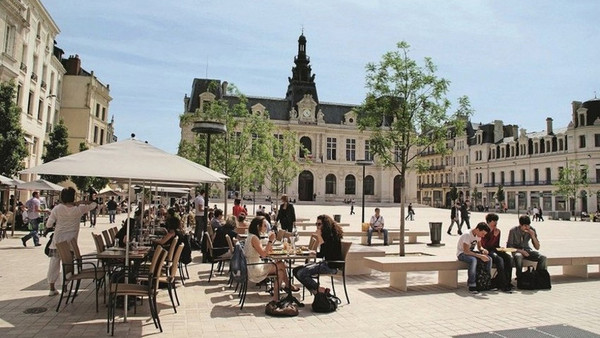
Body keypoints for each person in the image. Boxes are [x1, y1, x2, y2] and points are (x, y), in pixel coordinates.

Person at [45, 187, 97, 296]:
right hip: (71, 241)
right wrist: (81, 202)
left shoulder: (57, 208)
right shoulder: (79, 208)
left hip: (58, 240)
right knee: (68, 264)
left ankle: (51, 288)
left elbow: (48, 224)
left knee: (54, 263)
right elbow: (94, 205)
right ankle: (65, 289)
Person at [243, 216, 297, 302]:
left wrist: (268, 246)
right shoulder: (254, 238)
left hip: (252, 266)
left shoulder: (251, 236)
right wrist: (270, 241)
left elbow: (262, 251)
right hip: (255, 268)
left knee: (280, 272)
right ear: (258, 226)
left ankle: (276, 298)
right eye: (264, 225)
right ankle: (287, 285)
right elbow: (264, 254)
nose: (266, 227)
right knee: (281, 264)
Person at [293, 214, 343, 295]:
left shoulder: (332, 236)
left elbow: (325, 253)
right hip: (325, 263)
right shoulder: (326, 235)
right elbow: (323, 254)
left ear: (325, 224)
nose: (317, 226)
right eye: (316, 224)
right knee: (295, 270)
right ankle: (318, 291)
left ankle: (319, 291)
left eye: (319, 224)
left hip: (331, 266)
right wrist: (313, 253)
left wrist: (319, 236)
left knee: (301, 273)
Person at [507, 215, 547, 282]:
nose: (527, 227)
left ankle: (538, 277)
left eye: (528, 225)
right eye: (525, 226)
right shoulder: (513, 231)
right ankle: (519, 278)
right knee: (518, 256)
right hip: (517, 251)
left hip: (527, 250)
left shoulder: (532, 230)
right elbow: (509, 247)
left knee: (543, 257)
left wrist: (533, 236)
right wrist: (521, 251)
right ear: (520, 225)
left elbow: (537, 247)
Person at [481, 213, 513, 292]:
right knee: (499, 260)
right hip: (487, 251)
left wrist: (501, 248)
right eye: (493, 222)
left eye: (496, 221)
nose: (495, 224)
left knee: (509, 258)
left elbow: (496, 244)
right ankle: (503, 284)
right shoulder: (484, 230)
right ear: (488, 222)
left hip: (494, 249)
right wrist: (494, 236)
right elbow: (485, 245)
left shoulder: (497, 231)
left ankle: (508, 281)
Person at [456, 222, 491, 294]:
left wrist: (483, 250)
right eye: (483, 234)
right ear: (477, 229)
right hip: (462, 253)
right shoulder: (467, 235)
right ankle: (472, 284)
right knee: (473, 260)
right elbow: (466, 251)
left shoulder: (478, 235)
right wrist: (480, 256)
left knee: (489, 259)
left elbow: (479, 247)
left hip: (471, 252)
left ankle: (485, 281)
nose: (483, 236)